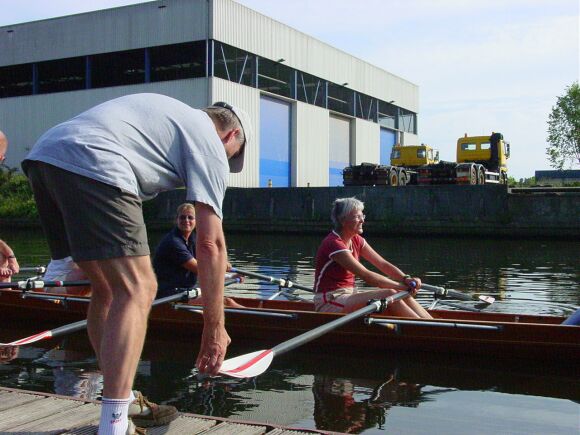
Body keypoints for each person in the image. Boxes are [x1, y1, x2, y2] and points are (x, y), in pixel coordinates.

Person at [22, 93, 251, 435]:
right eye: (232, 155)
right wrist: (214, 328)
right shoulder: (209, 142)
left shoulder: (172, 117)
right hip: (95, 160)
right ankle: (114, 424)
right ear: (230, 136)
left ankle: (123, 399)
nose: (226, 163)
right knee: (139, 287)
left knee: (107, 289)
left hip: (45, 158)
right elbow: (211, 244)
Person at [313, 197, 432, 318]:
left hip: (349, 296)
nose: (362, 220)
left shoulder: (356, 240)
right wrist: (402, 287)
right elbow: (367, 276)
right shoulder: (334, 243)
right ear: (342, 220)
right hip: (329, 301)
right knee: (390, 293)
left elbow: (383, 264)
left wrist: (406, 279)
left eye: (362, 216)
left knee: (399, 293)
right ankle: (423, 327)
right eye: (357, 217)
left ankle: (432, 323)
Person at [153, 202, 244, 308]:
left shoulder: (193, 239)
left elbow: (208, 261)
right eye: (182, 217)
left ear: (196, 221)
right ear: (176, 220)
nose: (186, 220)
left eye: (190, 217)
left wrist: (228, 272)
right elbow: (201, 269)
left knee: (227, 300)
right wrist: (222, 269)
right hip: (167, 295)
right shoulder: (173, 242)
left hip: (185, 292)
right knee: (225, 302)